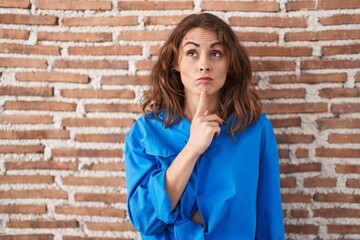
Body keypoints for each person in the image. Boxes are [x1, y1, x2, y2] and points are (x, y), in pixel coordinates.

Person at [124, 13, 285, 239]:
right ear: (175, 62)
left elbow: (269, 218)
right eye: (192, 53)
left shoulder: (255, 129)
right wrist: (192, 148)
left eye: (216, 53)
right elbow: (144, 221)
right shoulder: (144, 132)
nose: (204, 65)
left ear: (230, 64)